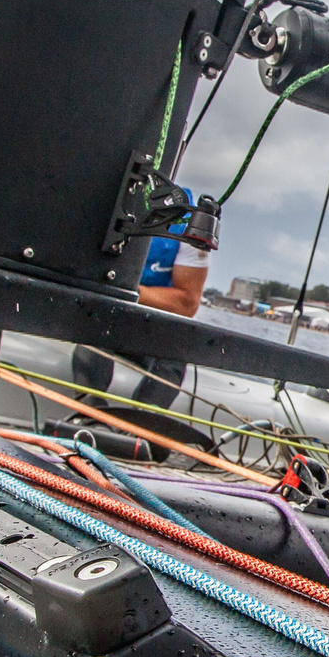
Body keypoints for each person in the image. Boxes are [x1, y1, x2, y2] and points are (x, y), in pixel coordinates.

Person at [70, 186, 212, 455]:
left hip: (149, 327)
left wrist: (126, 289)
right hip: (99, 317)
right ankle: (90, 421)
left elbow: (187, 302)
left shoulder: (189, 219)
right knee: (93, 337)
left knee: (174, 356)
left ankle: (138, 433)